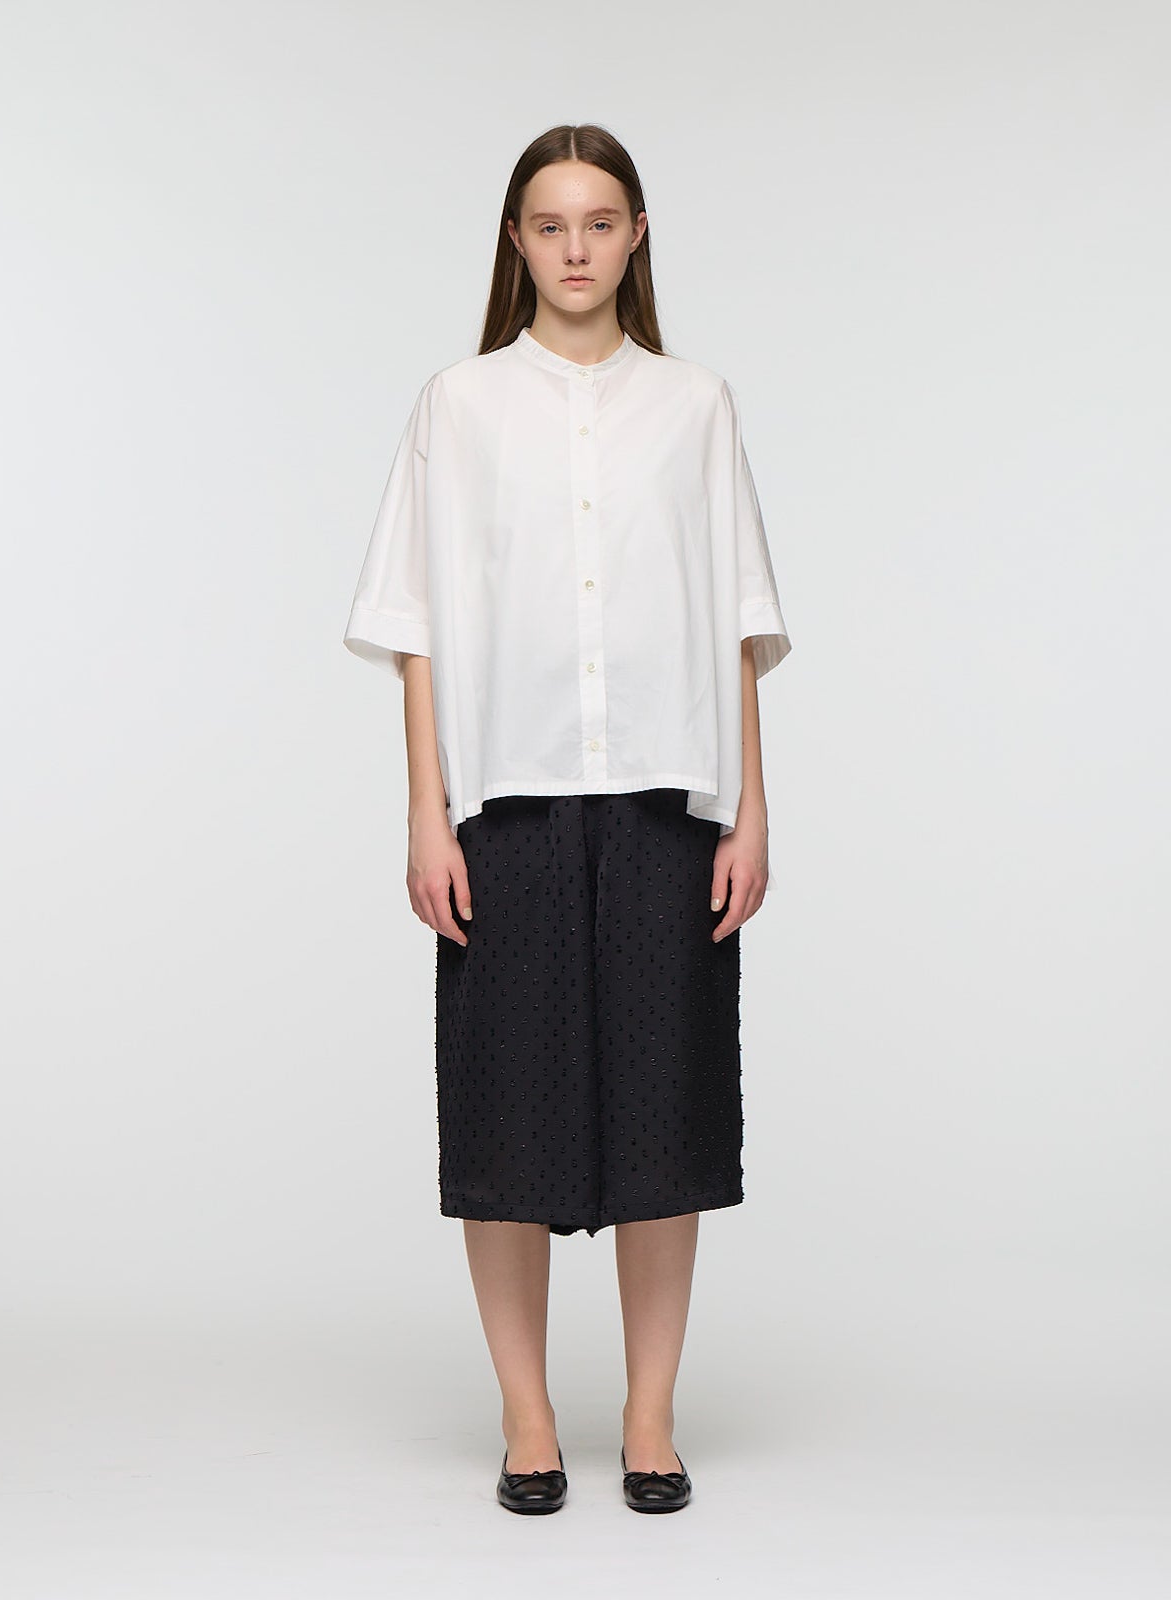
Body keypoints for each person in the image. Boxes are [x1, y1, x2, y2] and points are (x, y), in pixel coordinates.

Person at [343, 124, 792, 1515]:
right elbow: (417, 626)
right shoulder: (460, 405)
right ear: (517, 240)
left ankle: (650, 1417)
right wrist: (426, 815)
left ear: (637, 234)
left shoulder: (697, 405)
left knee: (665, 1119)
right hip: (509, 806)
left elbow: (738, 621)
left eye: (601, 222)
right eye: (550, 224)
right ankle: (527, 1416)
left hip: (666, 805)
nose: (576, 248)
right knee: (506, 1123)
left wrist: (751, 810)